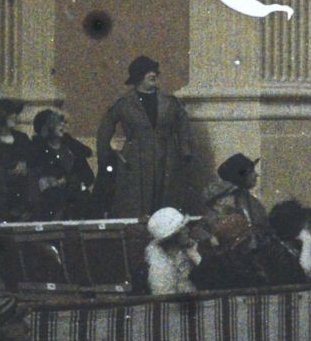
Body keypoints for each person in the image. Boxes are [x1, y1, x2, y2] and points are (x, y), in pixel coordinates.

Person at [96, 55, 189, 217]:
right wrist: (107, 156)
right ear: (138, 76)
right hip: (135, 160)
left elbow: (183, 127)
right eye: (147, 72)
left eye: (154, 71)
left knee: (167, 203)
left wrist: (185, 153)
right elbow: (105, 129)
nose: (153, 74)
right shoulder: (124, 103)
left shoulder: (170, 102)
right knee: (136, 205)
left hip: (167, 158)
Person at [25, 108, 95, 220]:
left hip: (75, 194)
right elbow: (40, 180)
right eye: (57, 123)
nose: (62, 126)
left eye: (63, 123)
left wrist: (73, 180)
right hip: (51, 199)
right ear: (46, 127)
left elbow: (88, 174)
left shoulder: (70, 147)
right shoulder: (37, 149)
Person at [145, 206, 202, 296]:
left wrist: (196, 257)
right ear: (172, 237)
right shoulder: (158, 268)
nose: (187, 230)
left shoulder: (190, 251)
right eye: (183, 229)